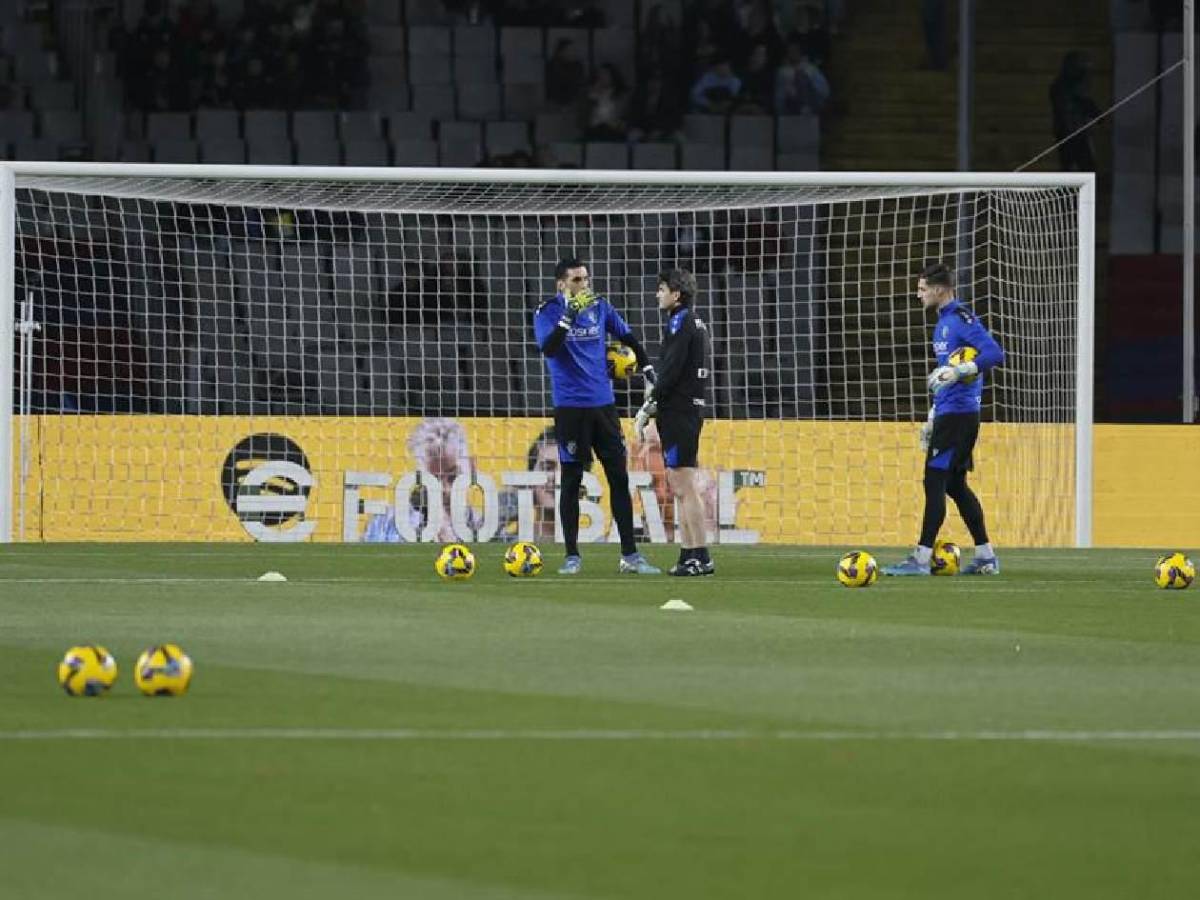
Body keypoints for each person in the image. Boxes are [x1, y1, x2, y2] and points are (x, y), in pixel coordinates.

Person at [533, 258, 660, 575]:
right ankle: (572, 556)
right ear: (561, 283)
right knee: (572, 479)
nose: (584, 285)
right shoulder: (546, 312)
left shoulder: (600, 308)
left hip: (604, 407)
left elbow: (629, 338)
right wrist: (569, 316)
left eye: (586, 279)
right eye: (577, 280)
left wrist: (646, 369)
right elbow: (549, 349)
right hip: (570, 409)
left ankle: (630, 556)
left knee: (619, 478)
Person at [883, 262, 1005, 576]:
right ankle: (986, 556)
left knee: (934, 480)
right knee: (954, 485)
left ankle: (921, 559)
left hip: (959, 417)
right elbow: (944, 377)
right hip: (950, 415)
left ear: (939, 290)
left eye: (922, 289)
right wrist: (932, 416)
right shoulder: (943, 323)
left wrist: (962, 371)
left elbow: (994, 353)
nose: (918, 294)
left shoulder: (961, 319)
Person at [634, 268, 714, 576]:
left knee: (684, 485)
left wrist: (649, 406)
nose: (657, 294)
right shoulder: (692, 322)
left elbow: (671, 370)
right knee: (680, 485)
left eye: (662, 289)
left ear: (676, 294)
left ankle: (700, 555)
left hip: (680, 411)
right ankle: (689, 553)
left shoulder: (682, 322)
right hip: (684, 409)